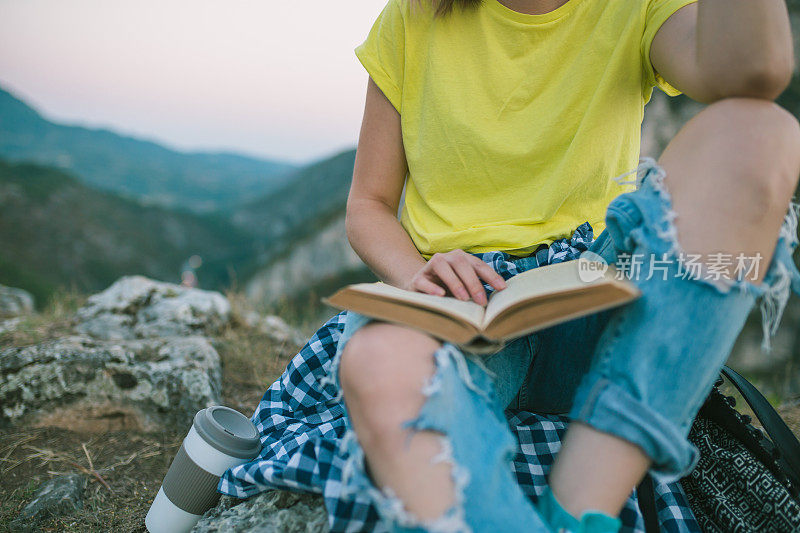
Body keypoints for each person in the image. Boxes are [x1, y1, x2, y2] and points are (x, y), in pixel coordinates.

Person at [220, 0, 800, 531]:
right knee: (379, 361)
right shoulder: (413, 17)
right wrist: (415, 275)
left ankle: (581, 508)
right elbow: (367, 206)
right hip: (459, 300)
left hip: (591, 291)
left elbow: (753, 73)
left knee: (763, 133)